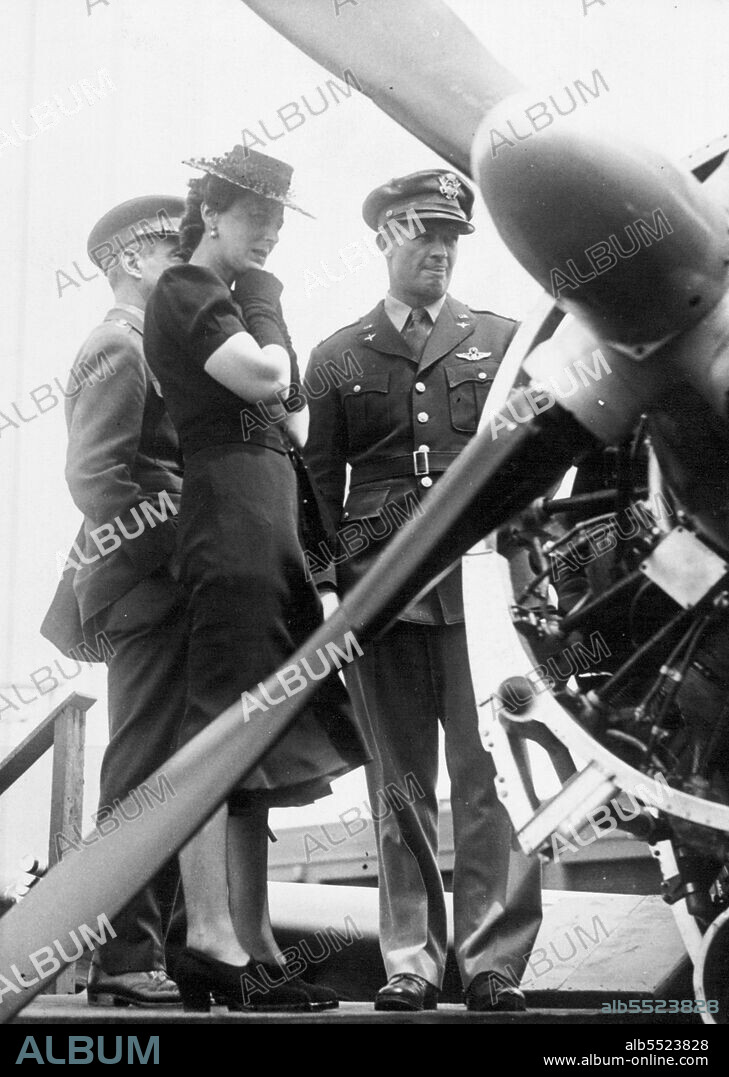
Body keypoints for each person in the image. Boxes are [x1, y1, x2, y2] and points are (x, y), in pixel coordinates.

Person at [304, 170, 543, 1012]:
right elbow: (316, 483)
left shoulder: (504, 339)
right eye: (420, 234)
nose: (437, 250)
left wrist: (524, 571)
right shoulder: (336, 355)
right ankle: (409, 955)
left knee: (491, 773)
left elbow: (537, 463)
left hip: (482, 587)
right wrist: (329, 588)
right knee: (396, 780)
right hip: (380, 587)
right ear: (383, 239)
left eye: (449, 237)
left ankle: (491, 961)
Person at [143, 145, 369, 1013]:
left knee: (253, 741)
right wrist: (268, 302)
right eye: (256, 216)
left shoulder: (229, 301)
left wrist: (262, 308)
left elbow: (299, 418)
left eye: (277, 219)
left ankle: (253, 940)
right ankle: (208, 937)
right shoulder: (186, 289)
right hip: (230, 517)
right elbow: (272, 378)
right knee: (218, 730)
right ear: (212, 212)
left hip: (265, 517)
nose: (269, 233)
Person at [41, 195, 188, 1007]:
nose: (185, 262)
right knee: (143, 769)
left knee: (175, 765)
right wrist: (177, 550)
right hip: (148, 585)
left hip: (165, 584)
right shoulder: (117, 344)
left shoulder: (151, 344)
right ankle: (126, 957)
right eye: (172, 249)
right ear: (131, 259)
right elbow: (96, 477)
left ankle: (164, 948)